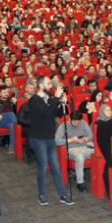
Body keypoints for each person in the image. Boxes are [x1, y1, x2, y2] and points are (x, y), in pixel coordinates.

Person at [23, 76, 74, 206]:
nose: (50, 85)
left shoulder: (49, 100)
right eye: (48, 83)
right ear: (41, 86)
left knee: (56, 167)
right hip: (38, 138)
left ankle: (62, 194)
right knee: (43, 167)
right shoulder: (34, 100)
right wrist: (56, 99)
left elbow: (54, 114)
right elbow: (45, 112)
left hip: (50, 137)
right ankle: (41, 194)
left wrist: (62, 103)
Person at [55, 113, 95, 192]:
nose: (77, 124)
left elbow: (91, 135)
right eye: (75, 122)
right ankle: (80, 182)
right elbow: (57, 141)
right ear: (70, 119)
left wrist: (85, 139)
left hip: (84, 147)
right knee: (79, 157)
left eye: (78, 122)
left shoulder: (83, 123)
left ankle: (97, 179)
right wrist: (72, 140)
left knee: (97, 154)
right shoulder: (63, 126)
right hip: (71, 149)